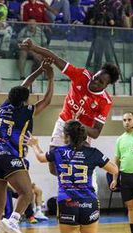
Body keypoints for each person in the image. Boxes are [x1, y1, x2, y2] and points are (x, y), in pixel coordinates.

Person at [28, 120, 119, 233]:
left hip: (66, 203)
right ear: (84, 136)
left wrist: (35, 145)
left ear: (66, 136)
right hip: (88, 202)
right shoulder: (93, 153)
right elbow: (114, 169)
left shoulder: (58, 151)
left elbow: (41, 158)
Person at [0, 59, 54, 233]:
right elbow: (47, 101)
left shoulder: (4, 106)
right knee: (26, 192)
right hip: (10, 156)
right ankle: (14, 220)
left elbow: (24, 85)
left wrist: (38, 70)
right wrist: (49, 78)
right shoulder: (25, 111)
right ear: (25, 100)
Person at [19, 38, 119, 176]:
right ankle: (68, 180)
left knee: (82, 163)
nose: (94, 81)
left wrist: (77, 126)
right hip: (63, 122)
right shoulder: (81, 75)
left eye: (100, 82)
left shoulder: (105, 101)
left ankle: (85, 183)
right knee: (53, 169)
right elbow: (55, 58)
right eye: (95, 77)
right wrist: (33, 48)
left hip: (82, 131)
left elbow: (96, 133)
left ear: (106, 86)